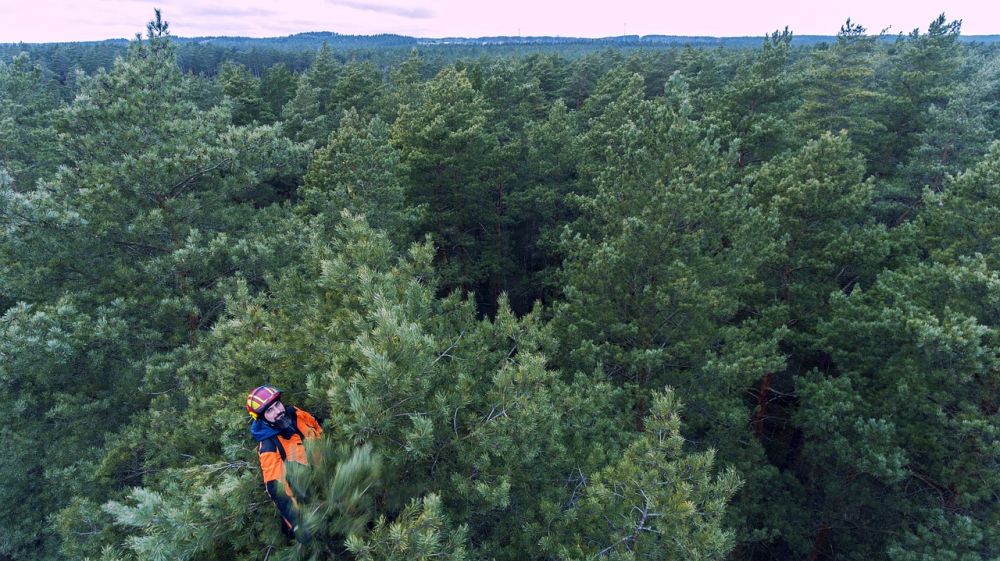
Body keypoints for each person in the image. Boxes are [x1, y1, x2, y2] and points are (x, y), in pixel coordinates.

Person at [246, 385, 323, 538]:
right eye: (270, 411)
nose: (278, 412)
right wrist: (297, 523)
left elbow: (316, 427)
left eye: (277, 405)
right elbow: (277, 488)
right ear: (262, 419)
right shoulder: (268, 445)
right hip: (307, 496)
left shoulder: (295, 414)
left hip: (325, 474)